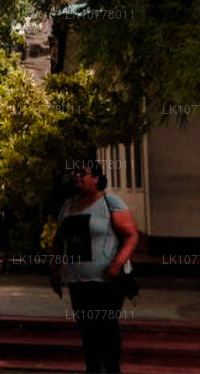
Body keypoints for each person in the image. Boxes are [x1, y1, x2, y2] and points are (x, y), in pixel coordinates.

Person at [50, 160, 140, 374]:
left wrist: (117, 264)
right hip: (78, 282)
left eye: (83, 173)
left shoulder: (110, 202)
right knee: (88, 332)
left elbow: (131, 235)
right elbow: (58, 240)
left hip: (106, 282)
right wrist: (54, 270)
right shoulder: (69, 205)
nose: (77, 176)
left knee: (106, 330)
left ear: (96, 178)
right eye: (75, 172)